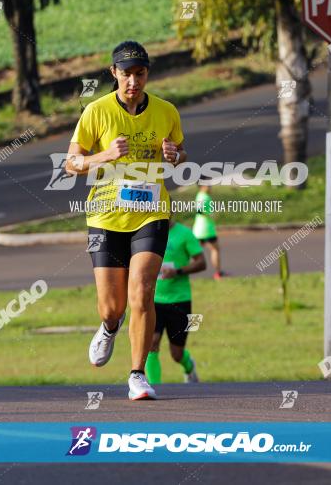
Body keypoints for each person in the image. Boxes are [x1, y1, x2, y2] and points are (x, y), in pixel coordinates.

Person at [64, 40, 187, 401]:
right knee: (112, 306)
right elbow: (71, 163)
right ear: (113, 73)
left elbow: (181, 151)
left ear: (147, 73)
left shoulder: (166, 111)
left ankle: (137, 374)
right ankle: (108, 327)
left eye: (140, 73)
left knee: (143, 292)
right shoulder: (96, 113)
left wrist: (174, 154)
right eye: (127, 74)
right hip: (105, 217)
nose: (133, 81)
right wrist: (104, 155)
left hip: (151, 214)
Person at [146, 216, 206, 384]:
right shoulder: (150, 234)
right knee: (151, 343)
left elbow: (201, 262)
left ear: (171, 211)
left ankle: (189, 366)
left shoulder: (185, 234)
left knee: (176, 353)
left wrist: (178, 271)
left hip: (180, 300)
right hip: (154, 299)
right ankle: (154, 387)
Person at [193, 183, 224, 279]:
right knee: (215, 249)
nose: (210, 187)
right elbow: (199, 210)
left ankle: (181, 270)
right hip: (207, 229)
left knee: (193, 252)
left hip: (198, 229)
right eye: (208, 186)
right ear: (202, 186)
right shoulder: (204, 197)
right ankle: (218, 274)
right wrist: (210, 215)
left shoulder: (200, 195)